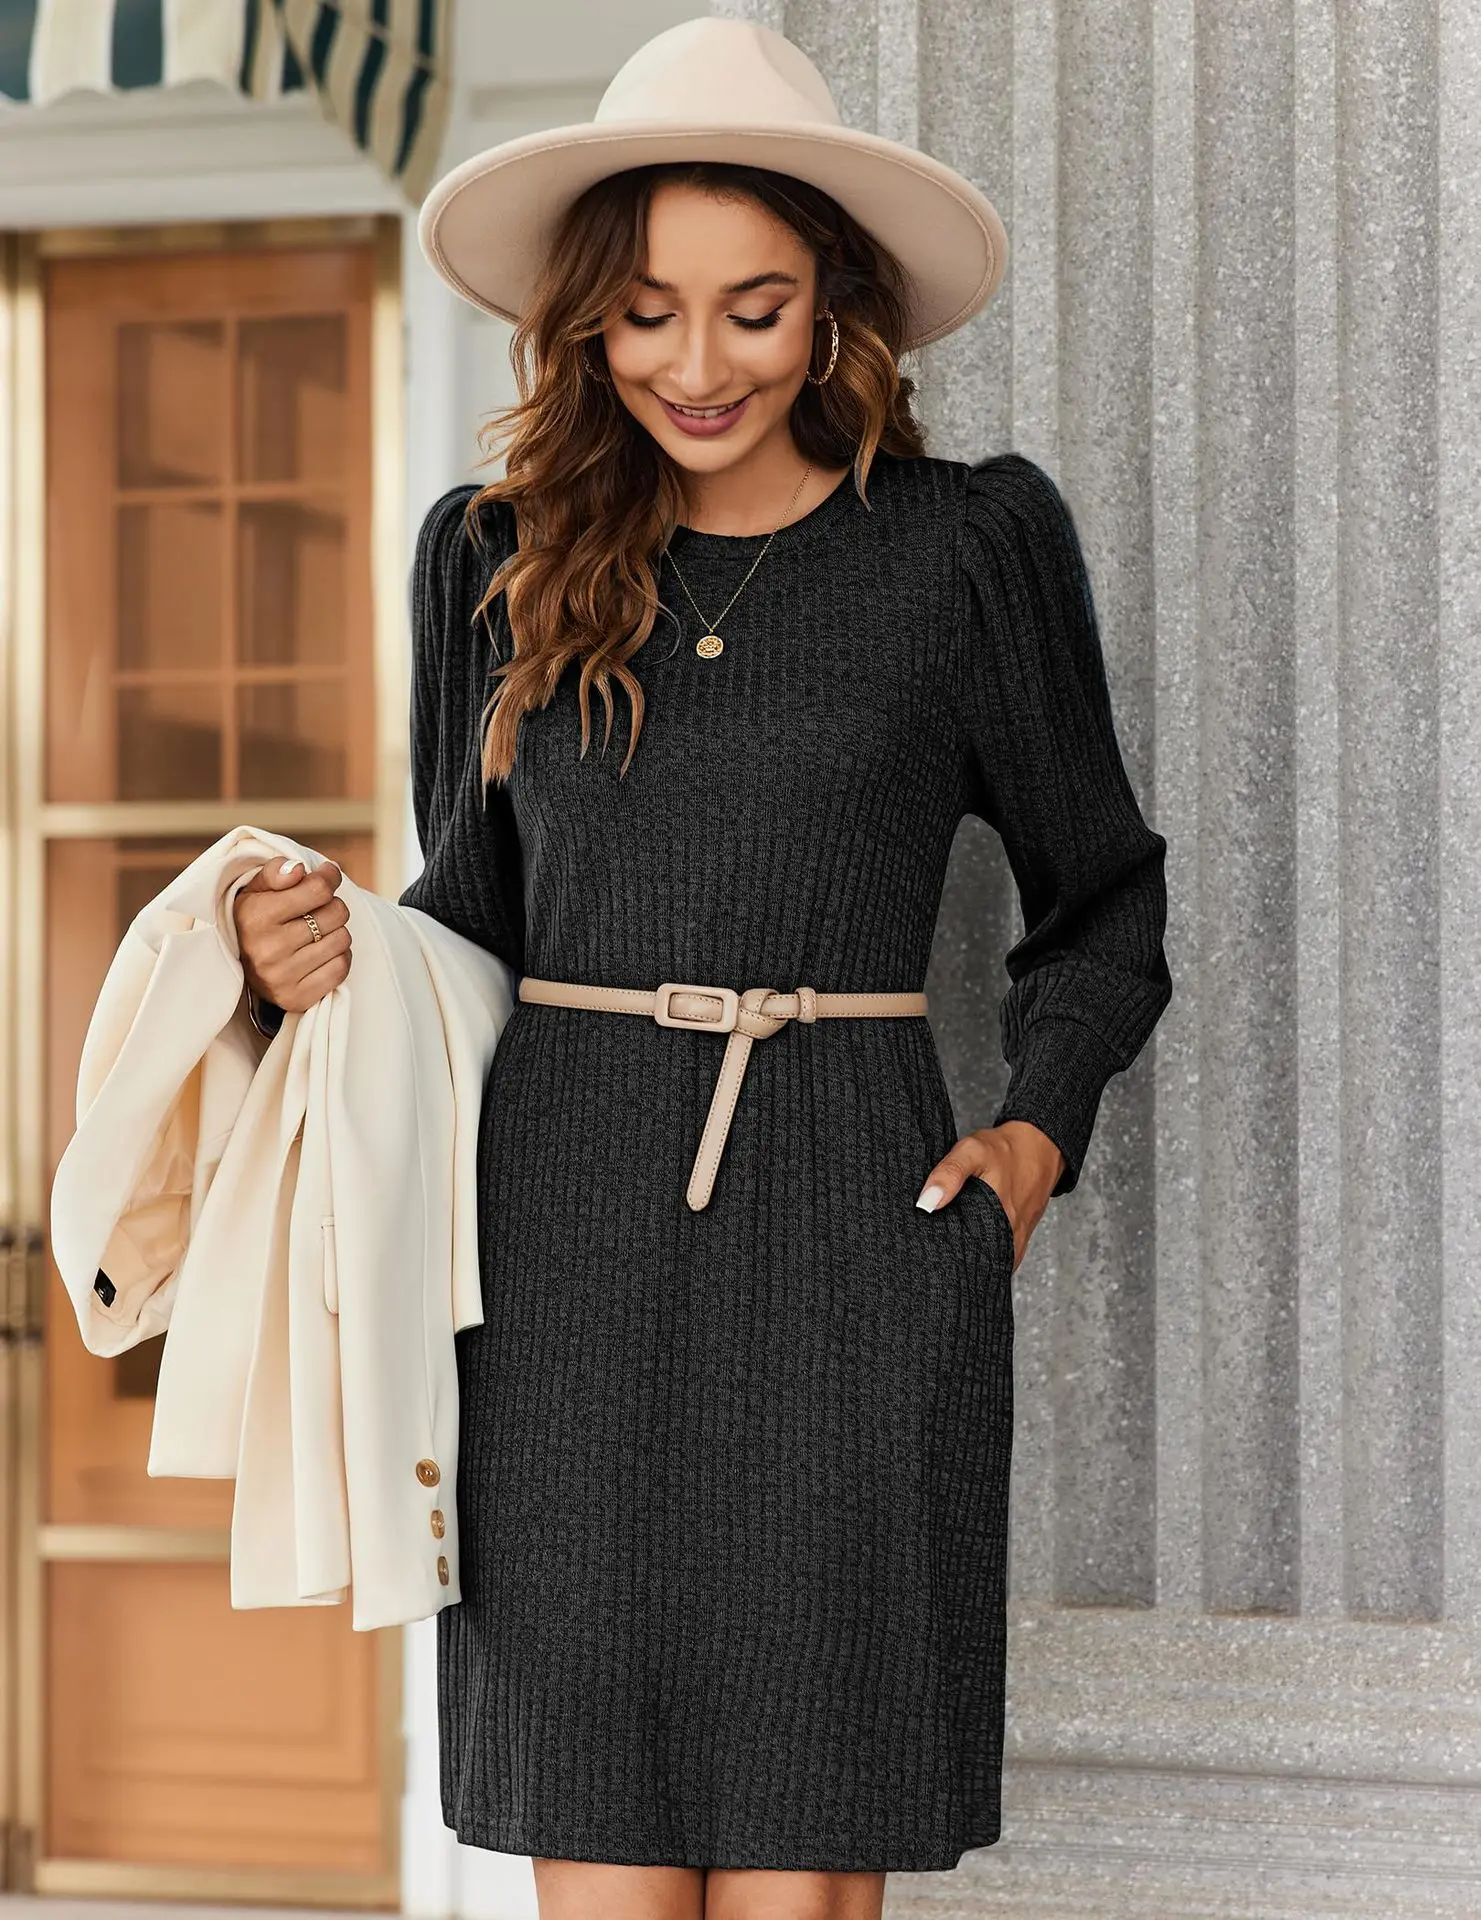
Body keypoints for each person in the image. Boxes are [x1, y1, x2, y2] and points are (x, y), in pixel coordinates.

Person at [235, 18, 1172, 1920]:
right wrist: (286, 963)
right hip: (556, 1268)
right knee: (593, 1860)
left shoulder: (966, 548)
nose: (697, 362)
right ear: (587, 321)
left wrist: (1030, 1145)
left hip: (850, 1244)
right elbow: (466, 934)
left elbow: (1108, 903)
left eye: (754, 310)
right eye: (648, 313)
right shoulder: (492, 556)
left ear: (834, 314)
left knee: (806, 1876)